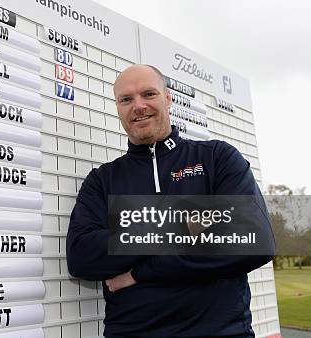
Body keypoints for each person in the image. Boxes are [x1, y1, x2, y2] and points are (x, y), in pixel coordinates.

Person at [66, 64, 275, 338]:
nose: (138, 106)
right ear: (118, 108)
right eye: (126, 99)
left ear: (167, 99)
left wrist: (140, 273)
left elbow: (254, 240)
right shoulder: (102, 180)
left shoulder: (217, 158)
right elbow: (82, 257)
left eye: (148, 94)